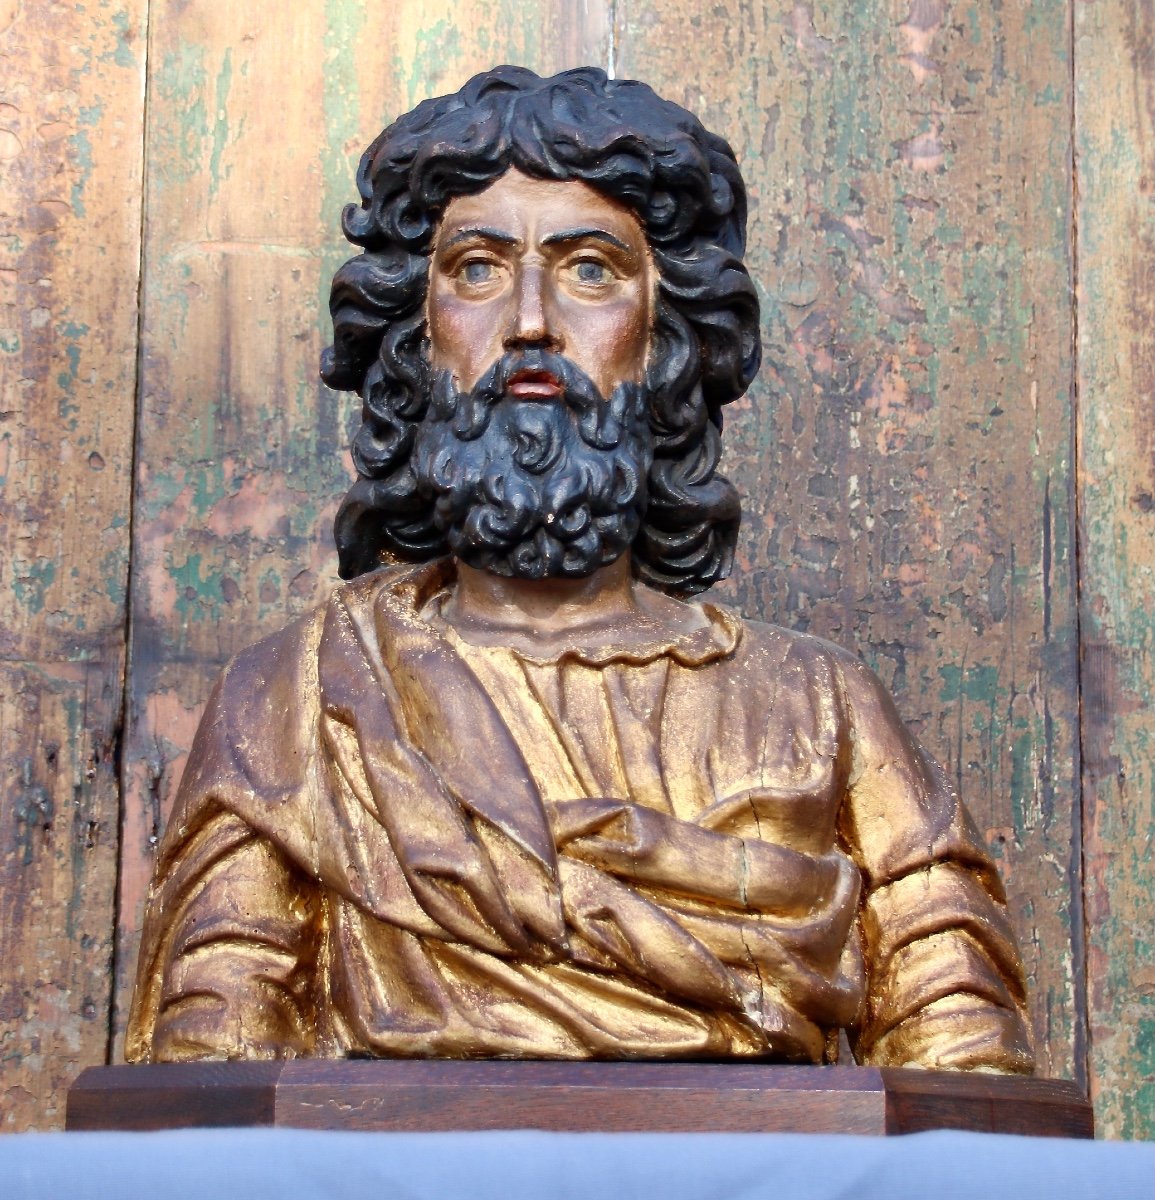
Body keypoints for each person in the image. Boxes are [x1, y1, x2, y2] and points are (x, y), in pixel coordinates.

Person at [126, 66, 1034, 1071]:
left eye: (590, 269)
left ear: (666, 335)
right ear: (414, 337)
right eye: (475, 268)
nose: (530, 323)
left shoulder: (822, 707)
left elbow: (963, 1074)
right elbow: (210, 1084)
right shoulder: (295, 702)